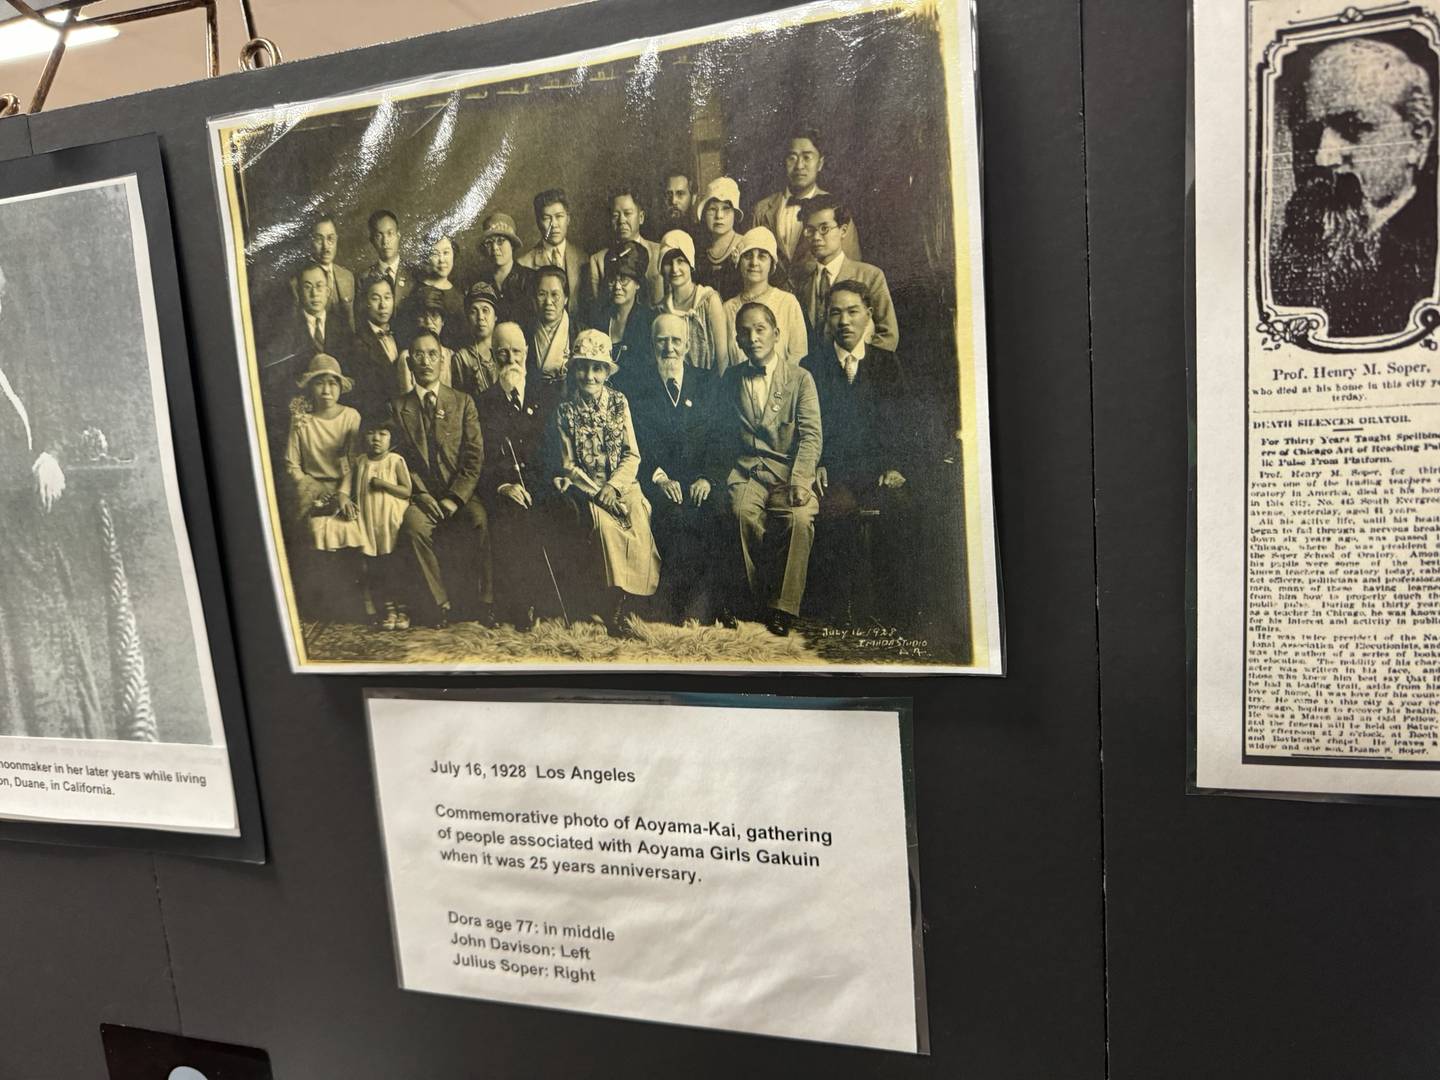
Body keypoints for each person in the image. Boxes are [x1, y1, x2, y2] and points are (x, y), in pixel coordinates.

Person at [0, 261, 103, 737]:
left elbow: (52, 420)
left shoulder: (15, 365)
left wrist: (50, 455)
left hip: (29, 535)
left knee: (51, 647)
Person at [1273, 38, 1437, 337]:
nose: (1324, 156)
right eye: (1308, 133)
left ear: (1417, 139)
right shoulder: (1297, 246)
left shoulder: (1427, 255)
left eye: (1352, 127)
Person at [801, 280, 913, 621]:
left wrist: (895, 466)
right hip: (832, 472)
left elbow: (904, 424)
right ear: (826, 319)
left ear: (869, 315)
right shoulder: (811, 367)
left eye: (852, 312)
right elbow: (804, 427)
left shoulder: (886, 364)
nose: (844, 321)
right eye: (835, 313)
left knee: (904, 509)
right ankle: (836, 616)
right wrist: (815, 463)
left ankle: (893, 613)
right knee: (832, 513)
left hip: (878, 472)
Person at [719, 302, 822, 636]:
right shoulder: (731, 378)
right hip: (747, 470)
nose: (753, 337)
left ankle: (783, 607)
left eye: (760, 329)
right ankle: (752, 601)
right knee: (739, 513)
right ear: (737, 340)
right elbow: (718, 432)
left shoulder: (800, 379)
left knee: (799, 519)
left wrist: (801, 479)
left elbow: (810, 435)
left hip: (788, 473)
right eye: (745, 332)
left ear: (777, 334)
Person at [548, 328, 660, 634]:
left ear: (606, 372)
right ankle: (611, 607)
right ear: (575, 370)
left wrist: (615, 487)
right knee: (606, 528)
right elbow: (569, 465)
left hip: (622, 484)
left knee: (639, 517)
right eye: (583, 367)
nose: (590, 376)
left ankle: (630, 603)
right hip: (589, 489)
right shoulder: (565, 411)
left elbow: (632, 454)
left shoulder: (619, 402)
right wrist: (600, 493)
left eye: (597, 368)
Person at [388, 330, 491, 627]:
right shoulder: (397, 408)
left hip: (459, 494)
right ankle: (440, 603)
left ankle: (485, 602)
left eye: (432, 354)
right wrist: (420, 495)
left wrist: (454, 498)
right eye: (418, 355)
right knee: (412, 526)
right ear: (409, 364)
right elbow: (400, 462)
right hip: (421, 496)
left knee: (479, 519)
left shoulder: (463, 402)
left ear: (442, 359)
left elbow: (474, 458)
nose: (425, 361)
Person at [628, 313, 725, 622]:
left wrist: (708, 478)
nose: (669, 348)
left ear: (687, 345)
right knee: (673, 516)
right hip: (657, 479)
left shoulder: (708, 382)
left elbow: (722, 436)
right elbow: (633, 441)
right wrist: (659, 478)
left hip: (701, 480)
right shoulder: (636, 386)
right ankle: (673, 606)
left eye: (676, 341)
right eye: (661, 341)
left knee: (716, 513)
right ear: (652, 344)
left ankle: (703, 605)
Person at [476, 322, 555, 629]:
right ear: (493, 356)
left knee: (561, 512)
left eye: (517, 352)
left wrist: (545, 483)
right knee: (513, 518)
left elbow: (552, 449)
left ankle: (560, 604)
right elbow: (480, 458)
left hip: (542, 484)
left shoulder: (545, 396)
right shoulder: (482, 402)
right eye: (503, 353)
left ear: (527, 354)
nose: (511, 360)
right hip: (504, 490)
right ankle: (521, 607)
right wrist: (504, 485)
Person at [283, 354, 364, 617]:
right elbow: (292, 464)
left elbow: (353, 462)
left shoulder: (351, 417)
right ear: (310, 387)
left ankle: (356, 603)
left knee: (353, 527)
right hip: (312, 491)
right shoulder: (301, 420)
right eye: (320, 383)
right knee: (316, 530)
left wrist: (342, 493)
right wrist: (315, 489)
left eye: (333, 383)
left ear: (341, 387)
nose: (327, 390)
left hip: (347, 489)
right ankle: (324, 604)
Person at [792, 193, 899, 352]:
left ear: (843, 230)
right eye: (810, 230)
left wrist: (862, 365)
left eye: (824, 229)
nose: (816, 237)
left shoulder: (870, 276)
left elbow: (888, 335)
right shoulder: (801, 282)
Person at [752, 127, 863, 272]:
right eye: (792, 157)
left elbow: (851, 267)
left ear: (820, 163)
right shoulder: (762, 210)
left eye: (807, 157)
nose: (799, 166)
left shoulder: (836, 209)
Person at [350, 413, 413, 630]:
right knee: (376, 568)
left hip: (390, 521)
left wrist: (384, 484)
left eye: (382, 434)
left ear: (391, 438)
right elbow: (351, 489)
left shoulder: (395, 461)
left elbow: (407, 491)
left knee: (393, 565)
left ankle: (402, 610)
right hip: (369, 520)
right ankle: (389, 610)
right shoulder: (360, 462)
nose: (376, 438)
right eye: (371, 433)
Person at [721, 227, 807, 367]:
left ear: (772, 263)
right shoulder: (727, 309)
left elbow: (799, 356)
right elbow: (724, 364)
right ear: (739, 261)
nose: (754, 263)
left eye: (762, 256)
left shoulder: (788, 303)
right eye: (748, 255)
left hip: (782, 387)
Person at [658, 229, 732, 373]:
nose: (675, 269)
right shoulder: (662, 308)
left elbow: (723, 358)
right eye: (668, 262)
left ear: (690, 264)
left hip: (707, 386)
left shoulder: (709, 300)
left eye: (681, 261)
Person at [583, 187, 663, 319]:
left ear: (641, 217)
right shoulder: (598, 260)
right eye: (616, 215)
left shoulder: (659, 252)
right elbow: (599, 311)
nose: (621, 220)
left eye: (628, 213)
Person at [590, 241, 656, 387]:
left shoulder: (649, 321)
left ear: (638, 284)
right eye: (613, 280)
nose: (618, 287)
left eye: (624, 280)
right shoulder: (598, 319)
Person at [346, 273, 404, 420]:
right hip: (378, 419)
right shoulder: (356, 344)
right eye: (375, 298)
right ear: (366, 302)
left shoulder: (403, 334)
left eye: (387, 297)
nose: (383, 305)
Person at [518, 188, 584, 314]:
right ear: (538, 222)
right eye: (547, 218)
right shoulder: (523, 265)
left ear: (568, 219)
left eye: (559, 216)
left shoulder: (584, 260)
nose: (554, 224)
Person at [290, 213, 355, 332]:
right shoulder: (296, 282)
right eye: (319, 239)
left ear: (337, 240)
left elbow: (352, 325)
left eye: (331, 238)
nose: (326, 247)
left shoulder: (347, 277)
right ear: (310, 242)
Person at [473, 211, 537, 326]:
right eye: (489, 243)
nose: (494, 248)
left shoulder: (530, 279)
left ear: (512, 245)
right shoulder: (478, 282)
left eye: (500, 241)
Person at [398, 235, 464, 344]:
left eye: (446, 253)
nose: (441, 260)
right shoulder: (415, 290)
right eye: (435, 254)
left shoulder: (459, 294)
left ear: (453, 254)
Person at [395, 290, 459, 395]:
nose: (428, 322)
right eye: (423, 316)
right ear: (415, 320)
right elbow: (406, 401)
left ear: (442, 321)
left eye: (434, 316)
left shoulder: (451, 356)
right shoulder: (406, 357)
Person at [693, 176, 746, 301]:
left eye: (726, 209)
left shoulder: (745, 244)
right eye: (712, 209)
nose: (719, 216)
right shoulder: (700, 249)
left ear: (735, 213)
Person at [527, 265, 574, 400]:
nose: (548, 302)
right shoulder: (525, 332)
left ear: (566, 298)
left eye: (555, 295)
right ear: (534, 298)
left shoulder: (580, 331)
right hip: (535, 403)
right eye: (542, 294)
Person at [451, 281, 502, 399]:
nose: (480, 317)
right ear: (468, 318)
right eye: (474, 311)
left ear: (495, 316)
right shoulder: (462, 358)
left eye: (485, 310)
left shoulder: (504, 351)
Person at [357, 209, 412, 317]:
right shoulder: (364, 278)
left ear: (398, 236)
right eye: (379, 236)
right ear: (372, 240)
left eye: (390, 234)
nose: (385, 241)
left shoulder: (414, 274)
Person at [658, 168, 697, 233]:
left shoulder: (702, 236)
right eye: (669, 194)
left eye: (680, 194)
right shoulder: (654, 235)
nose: (673, 201)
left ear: (693, 198)